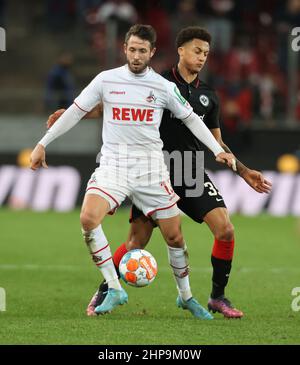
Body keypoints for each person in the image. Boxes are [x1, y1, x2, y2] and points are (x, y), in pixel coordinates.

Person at [48, 26, 272, 319]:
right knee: (135, 242)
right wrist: (72, 113)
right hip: (155, 169)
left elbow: (216, 142)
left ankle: (218, 297)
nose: (202, 57)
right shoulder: (158, 81)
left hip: (190, 171)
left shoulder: (209, 96)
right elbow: (111, 105)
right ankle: (107, 287)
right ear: (180, 50)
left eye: (206, 53)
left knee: (226, 230)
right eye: (196, 51)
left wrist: (243, 171)